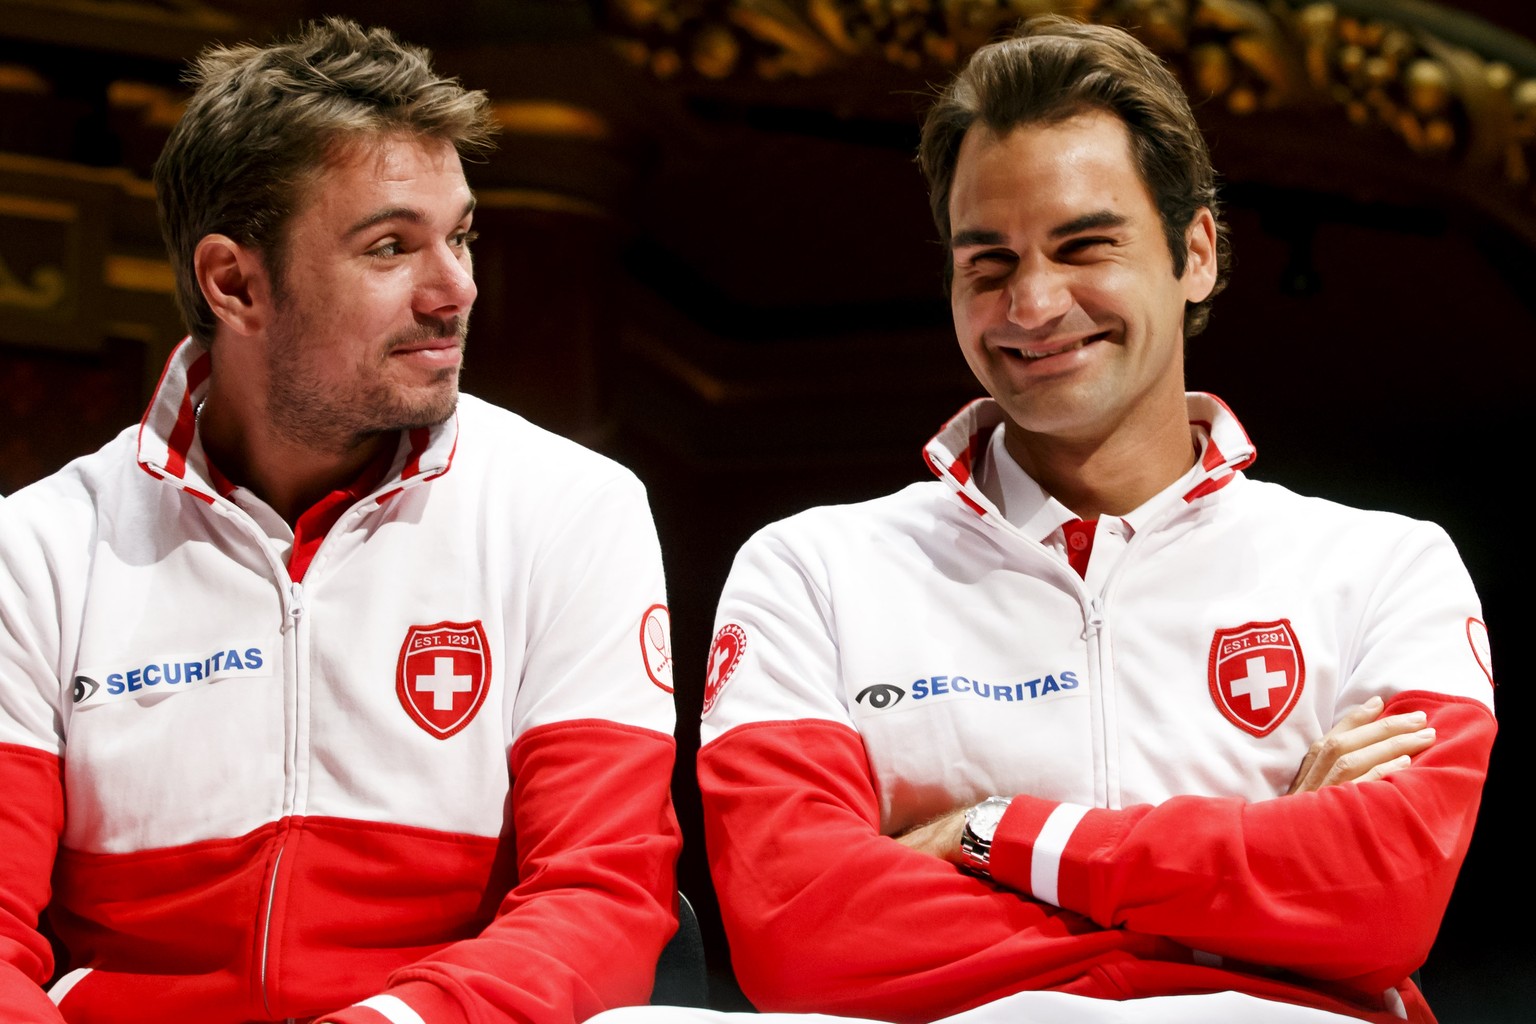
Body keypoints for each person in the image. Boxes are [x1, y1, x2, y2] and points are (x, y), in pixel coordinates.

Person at [687, 14, 1496, 1024]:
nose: (1031, 304)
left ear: (1196, 252)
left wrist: (992, 832)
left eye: (1084, 246)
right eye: (988, 263)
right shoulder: (810, 570)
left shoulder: (1386, 567)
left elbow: (1378, 904)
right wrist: (1255, 899)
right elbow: (799, 934)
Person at [0, 18, 681, 1024]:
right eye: (391, 247)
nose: (457, 288)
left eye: (461, 236)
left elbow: (602, 898)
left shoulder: (571, 508)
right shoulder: (37, 549)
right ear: (234, 283)